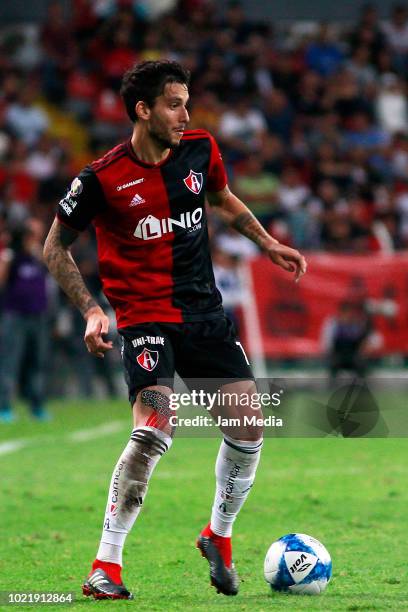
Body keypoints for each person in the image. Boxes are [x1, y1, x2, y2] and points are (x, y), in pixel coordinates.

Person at [43, 60, 306, 600]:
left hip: (203, 312)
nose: (186, 114)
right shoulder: (100, 177)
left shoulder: (200, 149)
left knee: (250, 425)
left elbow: (222, 199)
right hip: (144, 315)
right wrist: (93, 310)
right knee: (157, 426)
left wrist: (267, 242)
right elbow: (55, 247)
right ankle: (105, 566)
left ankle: (218, 535)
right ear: (143, 110)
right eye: (174, 104)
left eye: (187, 102)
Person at [0, 218, 50, 421]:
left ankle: (37, 406)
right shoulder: (11, 257)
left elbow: (52, 266)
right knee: (10, 362)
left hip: (38, 316)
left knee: (37, 363)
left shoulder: (37, 257)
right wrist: (9, 255)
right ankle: (4, 407)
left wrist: (36, 250)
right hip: (15, 317)